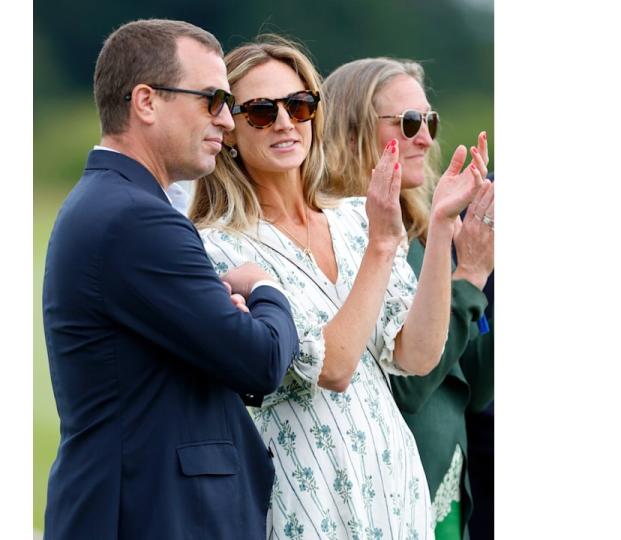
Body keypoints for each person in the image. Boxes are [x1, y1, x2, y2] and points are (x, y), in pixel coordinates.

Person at [190, 35, 484, 539]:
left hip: (396, 491)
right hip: (304, 501)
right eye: (261, 111)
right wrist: (382, 245)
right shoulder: (215, 248)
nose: (285, 122)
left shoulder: (352, 220)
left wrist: (438, 230)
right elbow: (333, 366)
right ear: (231, 129)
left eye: (300, 105)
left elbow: (415, 356)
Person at [41, 20, 301, 540]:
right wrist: (263, 289)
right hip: (151, 514)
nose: (228, 120)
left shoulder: (118, 206)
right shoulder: (137, 219)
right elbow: (260, 359)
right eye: (211, 99)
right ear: (146, 102)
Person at [323, 57, 495, 540]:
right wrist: (469, 274)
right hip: (392, 500)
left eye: (430, 121)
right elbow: (409, 388)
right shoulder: (346, 239)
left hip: (446, 490)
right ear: (351, 131)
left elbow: (473, 388)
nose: (426, 137)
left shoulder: (421, 236)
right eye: (410, 123)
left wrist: (481, 272)